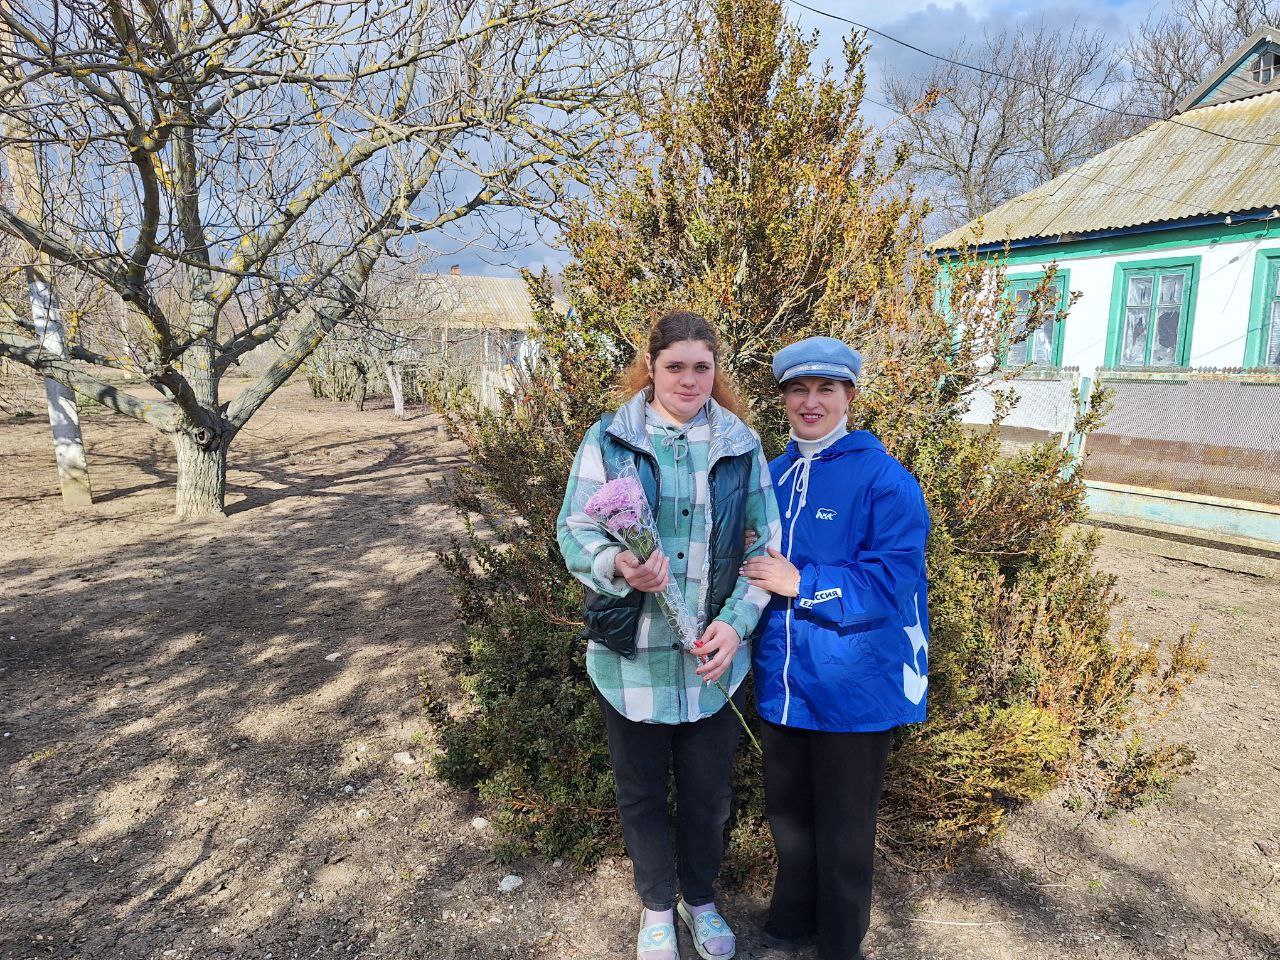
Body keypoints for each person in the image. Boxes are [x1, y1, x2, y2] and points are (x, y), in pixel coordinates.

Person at [557, 310, 782, 960]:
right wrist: (618, 564)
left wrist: (736, 626)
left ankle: (699, 901)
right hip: (631, 662)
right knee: (641, 795)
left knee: (709, 799)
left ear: (715, 370)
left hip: (713, 668)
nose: (689, 379)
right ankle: (657, 907)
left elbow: (764, 548)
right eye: (675, 366)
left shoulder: (740, 444)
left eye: (701, 367)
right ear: (651, 369)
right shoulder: (610, 440)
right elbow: (574, 530)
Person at [741, 336, 930, 960]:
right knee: (789, 817)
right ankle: (790, 924)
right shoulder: (770, 476)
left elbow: (893, 579)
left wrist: (804, 584)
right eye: (798, 389)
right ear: (783, 398)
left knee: (845, 830)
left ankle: (840, 944)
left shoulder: (885, 479)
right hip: (783, 682)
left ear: (849, 395)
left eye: (826, 388)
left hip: (854, 688)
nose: (811, 401)